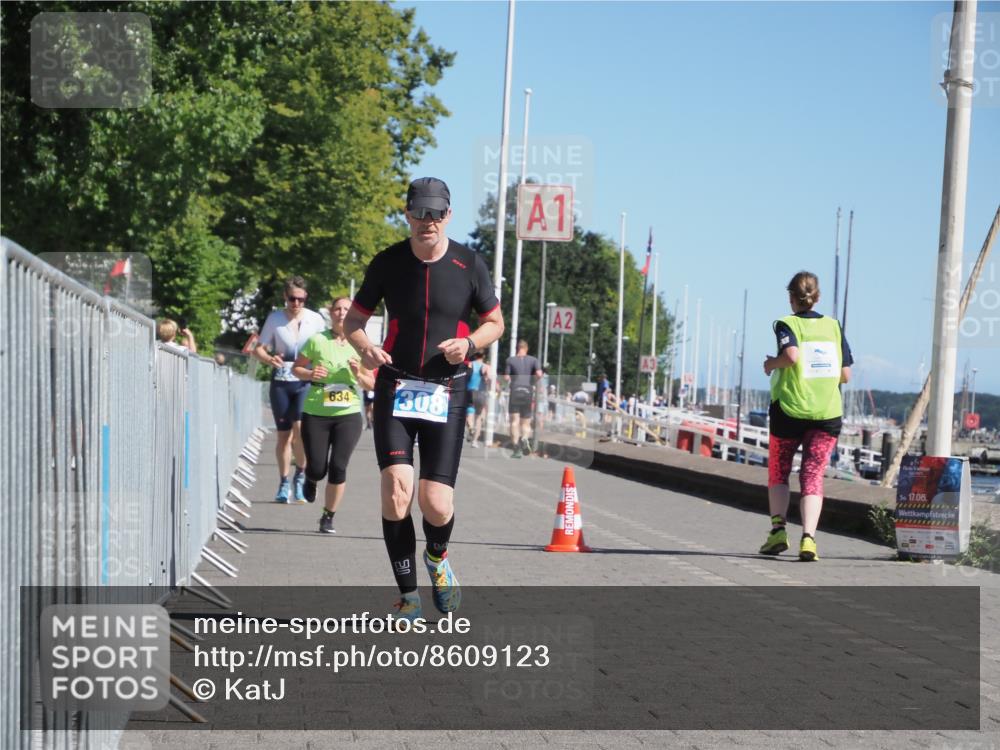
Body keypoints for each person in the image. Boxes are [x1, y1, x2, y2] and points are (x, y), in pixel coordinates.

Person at [344, 177, 504, 621]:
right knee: (396, 492)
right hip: (395, 385)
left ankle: (437, 558)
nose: (427, 222)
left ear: (448, 215)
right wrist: (365, 348)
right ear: (408, 214)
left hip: (446, 389)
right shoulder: (388, 262)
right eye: (419, 213)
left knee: (435, 502)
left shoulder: (469, 263)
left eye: (436, 214)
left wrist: (470, 344)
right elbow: (354, 321)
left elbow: (496, 323)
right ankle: (408, 594)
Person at [760, 271, 852, 562]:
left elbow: (791, 356)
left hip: (789, 410)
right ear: (818, 297)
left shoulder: (786, 323)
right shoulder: (834, 327)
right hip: (826, 414)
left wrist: (770, 364)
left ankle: (777, 530)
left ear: (791, 298)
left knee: (779, 470)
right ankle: (809, 539)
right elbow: (846, 374)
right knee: (812, 474)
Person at [293, 297, 375, 534]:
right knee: (318, 468)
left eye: (346, 309)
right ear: (331, 313)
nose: (341, 313)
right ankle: (310, 477)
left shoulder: (361, 344)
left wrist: (357, 375)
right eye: (337, 309)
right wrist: (310, 374)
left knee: (339, 466)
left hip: (348, 412)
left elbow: (371, 384)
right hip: (316, 411)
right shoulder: (317, 340)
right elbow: (296, 368)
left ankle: (328, 516)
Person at [254, 276, 326, 504]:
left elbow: (324, 347)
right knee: (284, 435)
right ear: (285, 298)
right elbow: (259, 349)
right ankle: (284, 481)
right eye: (292, 299)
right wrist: (269, 359)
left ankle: (301, 475)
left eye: (301, 300)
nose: (296, 304)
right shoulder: (275, 319)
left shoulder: (315, 319)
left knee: (301, 429)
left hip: (305, 378)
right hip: (282, 379)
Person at [503, 340, 542, 458]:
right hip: (528, 391)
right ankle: (525, 438)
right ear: (527, 348)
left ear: (517, 348)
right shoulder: (534, 360)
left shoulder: (510, 360)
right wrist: (533, 382)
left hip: (515, 390)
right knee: (526, 421)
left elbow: (506, 377)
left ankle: (516, 448)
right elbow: (539, 374)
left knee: (514, 421)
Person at [464, 351, 491, 448]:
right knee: (478, 418)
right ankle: (474, 441)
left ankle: (471, 428)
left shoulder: (470, 364)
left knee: (469, 414)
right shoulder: (486, 366)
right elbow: (489, 379)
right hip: (480, 393)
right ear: (483, 356)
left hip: (469, 391)